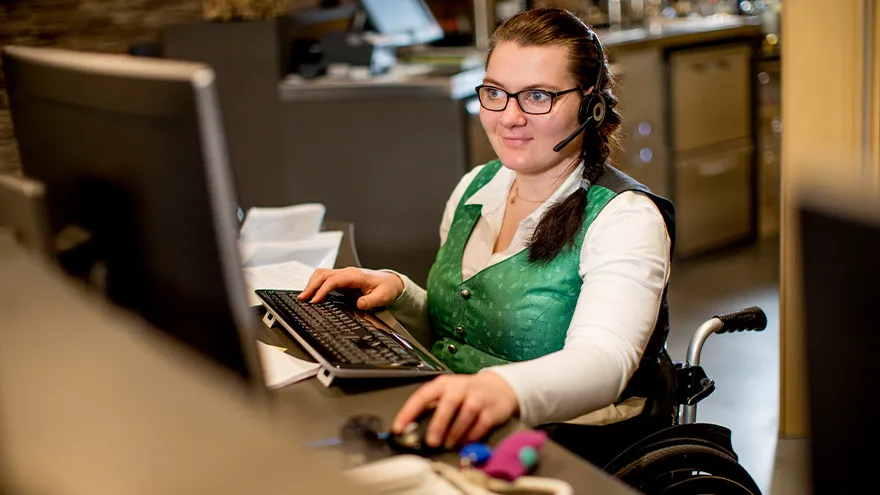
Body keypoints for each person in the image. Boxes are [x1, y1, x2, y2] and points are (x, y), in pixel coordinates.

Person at [298, 7, 676, 466]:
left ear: (590, 102)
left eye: (537, 96)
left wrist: (501, 389)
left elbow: (606, 362)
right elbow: (459, 325)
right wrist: (398, 294)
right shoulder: (474, 188)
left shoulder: (625, 218)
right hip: (458, 424)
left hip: (565, 448)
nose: (509, 117)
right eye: (495, 93)